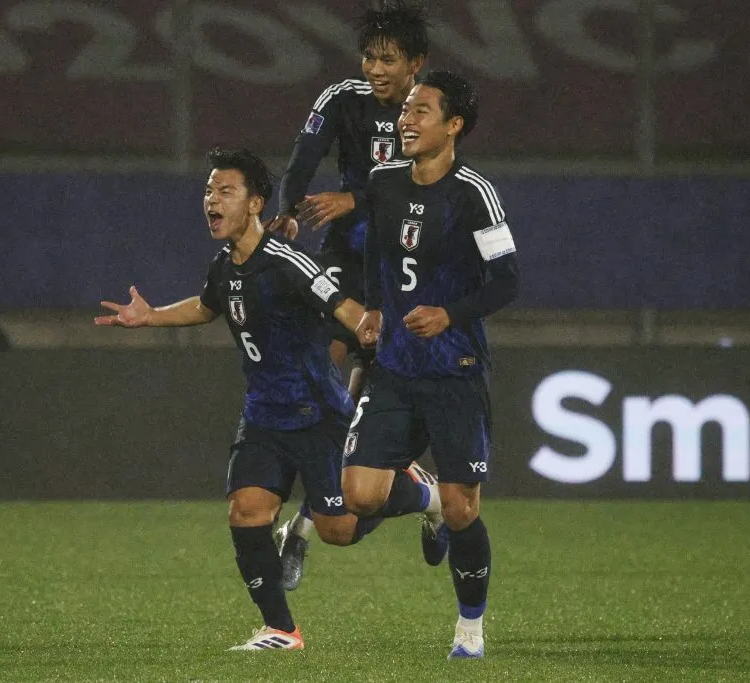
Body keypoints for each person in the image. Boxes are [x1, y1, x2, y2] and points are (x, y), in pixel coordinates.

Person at [94, 147, 438, 652]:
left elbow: (342, 305)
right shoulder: (224, 264)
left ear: (255, 203)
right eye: (209, 190)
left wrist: (377, 329)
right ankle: (281, 629)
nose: (212, 200)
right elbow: (207, 307)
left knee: (339, 530)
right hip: (263, 415)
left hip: (318, 414)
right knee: (247, 511)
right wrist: (150, 316)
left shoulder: (286, 262)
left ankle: (423, 496)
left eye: (225, 191)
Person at [268, 0, 440, 593]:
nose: (374, 67)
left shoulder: (434, 112)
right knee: (319, 386)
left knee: (363, 440)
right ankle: (329, 514)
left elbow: (428, 189)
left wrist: (354, 200)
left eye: (388, 58)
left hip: (403, 274)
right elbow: (301, 160)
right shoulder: (341, 99)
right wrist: (288, 211)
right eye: (369, 55)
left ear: (417, 63)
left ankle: (413, 498)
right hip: (345, 267)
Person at [351, 70, 521, 660]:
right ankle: (422, 500)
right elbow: (376, 246)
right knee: (359, 496)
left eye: (422, 111)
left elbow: (508, 281)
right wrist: (374, 307)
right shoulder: (384, 181)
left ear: (454, 126)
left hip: (454, 368)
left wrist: (450, 314)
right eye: (406, 111)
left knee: (465, 508)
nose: (406, 120)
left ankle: (469, 628)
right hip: (396, 366)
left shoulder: (474, 194)